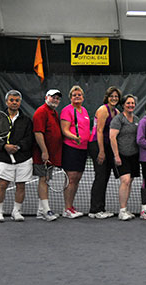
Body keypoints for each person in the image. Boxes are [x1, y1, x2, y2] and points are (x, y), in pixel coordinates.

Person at [0, 90, 33, 223]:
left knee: (21, 185)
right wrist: (5, 146)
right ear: (6, 102)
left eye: (17, 100)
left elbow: (29, 137)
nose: (14, 102)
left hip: (23, 158)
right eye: (11, 100)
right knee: (3, 184)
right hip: (4, 157)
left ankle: (17, 211)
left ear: (20, 102)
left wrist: (18, 147)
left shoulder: (26, 120)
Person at [88, 86, 121, 219]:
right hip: (96, 144)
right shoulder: (103, 110)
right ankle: (94, 210)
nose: (114, 98)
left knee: (105, 177)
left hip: (107, 146)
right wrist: (101, 151)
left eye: (116, 97)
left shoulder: (116, 112)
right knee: (100, 176)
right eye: (111, 96)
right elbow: (99, 131)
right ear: (107, 97)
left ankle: (100, 208)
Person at [33, 89, 64, 221]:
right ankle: (46, 211)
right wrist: (44, 151)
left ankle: (40, 211)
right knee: (43, 180)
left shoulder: (53, 112)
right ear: (46, 97)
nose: (55, 100)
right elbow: (38, 133)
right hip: (43, 155)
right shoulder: (41, 112)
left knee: (45, 180)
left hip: (52, 155)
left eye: (57, 98)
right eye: (53, 97)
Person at [60, 85, 90, 218]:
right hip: (71, 148)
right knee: (71, 178)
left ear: (83, 97)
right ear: (70, 97)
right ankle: (66, 209)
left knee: (77, 178)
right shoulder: (67, 110)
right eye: (74, 95)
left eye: (79, 95)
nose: (77, 97)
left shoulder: (84, 111)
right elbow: (64, 130)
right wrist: (74, 137)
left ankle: (71, 206)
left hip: (83, 149)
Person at [110, 94, 141, 221]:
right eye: (128, 103)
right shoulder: (118, 119)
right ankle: (122, 211)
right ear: (123, 105)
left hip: (134, 156)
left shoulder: (137, 119)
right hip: (121, 155)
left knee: (130, 182)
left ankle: (125, 209)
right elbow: (112, 137)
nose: (131, 105)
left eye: (132, 103)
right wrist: (116, 155)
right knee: (125, 180)